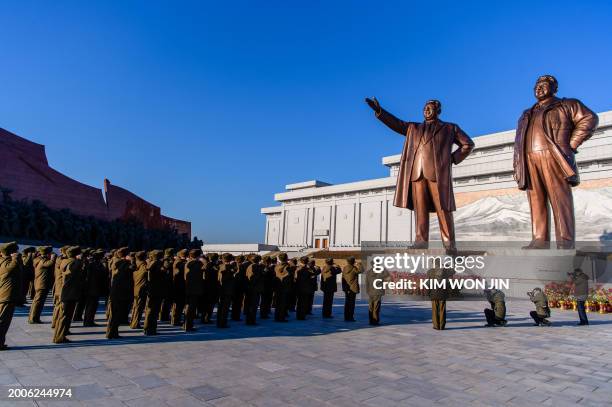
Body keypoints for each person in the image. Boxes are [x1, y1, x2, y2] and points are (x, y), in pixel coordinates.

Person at [366, 97, 474, 249]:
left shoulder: (450, 128)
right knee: (420, 210)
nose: (426, 110)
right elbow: (396, 124)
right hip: (417, 174)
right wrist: (379, 111)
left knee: (443, 210)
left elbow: (468, 144)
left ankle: (450, 245)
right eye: (424, 108)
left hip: (437, 175)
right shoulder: (413, 128)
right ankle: (421, 241)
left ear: (438, 111)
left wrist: (450, 159)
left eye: (430, 108)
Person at [513, 75, 599, 249]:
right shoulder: (526, 113)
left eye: (544, 85)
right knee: (536, 200)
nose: (539, 88)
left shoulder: (567, 105)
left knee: (560, 200)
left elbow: (589, 119)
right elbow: (518, 140)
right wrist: (517, 164)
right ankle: (539, 240)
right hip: (529, 159)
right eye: (536, 86)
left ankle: (564, 242)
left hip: (554, 157)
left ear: (554, 88)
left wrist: (571, 144)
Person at [53, 246, 84, 344]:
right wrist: (79, 260)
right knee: (65, 316)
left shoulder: (65, 261)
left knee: (65, 316)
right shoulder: (74, 263)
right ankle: (59, 337)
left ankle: (62, 333)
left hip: (68, 292)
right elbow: (76, 272)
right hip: (69, 293)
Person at [106, 247, 133, 339]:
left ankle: (112, 333)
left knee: (115, 314)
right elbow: (133, 268)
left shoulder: (115, 261)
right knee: (115, 314)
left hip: (115, 291)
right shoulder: (123, 263)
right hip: (119, 292)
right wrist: (130, 260)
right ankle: (111, 333)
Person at [0, 242, 22, 350]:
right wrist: (15, 257)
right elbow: (15, 265)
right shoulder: (8, 264)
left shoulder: (2, 261)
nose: (17, 252)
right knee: (3, 321)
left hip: (5, 296)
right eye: (15, 251)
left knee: (3, 321)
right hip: (6, 297)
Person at [28, 246, 55, 324]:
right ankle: (33, 318)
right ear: (46, 254)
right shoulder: (43, 261)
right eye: (49, 253)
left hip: (40, 284)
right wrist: (53, 257)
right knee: (38, 302)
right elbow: (51, 263)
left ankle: (33, 318)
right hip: (42, 284)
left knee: (36, 302)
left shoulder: (38, 259)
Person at [83, 249, 107, 327]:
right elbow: (101, 274)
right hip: (92, 288)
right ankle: (88, 321)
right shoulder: (94, 265)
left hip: (93, 288)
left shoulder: (94, 264)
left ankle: (89, 320)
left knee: (92, 306)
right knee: (91, 306)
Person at [143, 250, 164, 335]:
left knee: (151, 310)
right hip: (155, 290)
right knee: (152, 310)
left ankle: (150, 328)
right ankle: (150, 329)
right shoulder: (156, 264)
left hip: (153, 289)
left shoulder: (151, 263)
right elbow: (150, 278)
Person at [183, 249, 204, 332]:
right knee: (191, 309)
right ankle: (188, 326)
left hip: (189, 288)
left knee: (188, 308)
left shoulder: (188, 262)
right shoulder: (197, 263)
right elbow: (204, 268)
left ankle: (186, 325)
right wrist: (203, 260)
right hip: (194, 289)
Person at [51, 246, 69, 329]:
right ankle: (56, 325)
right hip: (61, 285)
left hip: (59, 284)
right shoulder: (63, 260)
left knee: (58, 306)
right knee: (61, 307)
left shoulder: (60, 259)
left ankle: (54, 323)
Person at [130, 251, 149, 329]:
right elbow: (146, 271)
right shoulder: (143, 265)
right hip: (141, 289)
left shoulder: (135, 264)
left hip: (136, 288)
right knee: (138, 307)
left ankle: (133, 322)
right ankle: (135, 324)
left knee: (135, 306)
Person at [217, 253, 235, 328]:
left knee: (221, 307)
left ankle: (219, 322)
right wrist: (231, 272)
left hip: (222, 289)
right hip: (226, 289)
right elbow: (224, 279)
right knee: (225, 307)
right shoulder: (227, 267)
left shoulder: (221, 266)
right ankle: (222, 323)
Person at [244, 254, 263, 325]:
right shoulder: (254, 266)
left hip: (252, 288)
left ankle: (251, 320)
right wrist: (261, 274)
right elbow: (252, 278)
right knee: (253, 305)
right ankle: (251, 320)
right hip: (253, 288)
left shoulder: (252, 266)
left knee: (252, 305)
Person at [341, 256, 361, 322]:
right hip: (353, 288)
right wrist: (359, 264)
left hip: (347, 288)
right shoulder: (354, 268)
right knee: (351, 304)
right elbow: (361, 270)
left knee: (347, 303)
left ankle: (346, 316)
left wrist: (344, 287)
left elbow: (343, 278)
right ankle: (350, 317)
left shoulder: (345, 268)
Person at [171, 249, 188, 326]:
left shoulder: (178, 262)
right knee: (179, 305)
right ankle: (175, 321)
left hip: (178, 285)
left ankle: (175, 320)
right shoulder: (180, 263)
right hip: (179, 286)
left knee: (177, 305)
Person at [202, 253, 220, 324]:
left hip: (206, 286)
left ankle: (204, 318)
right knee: (210, 304)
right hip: (211, 287)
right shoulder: (212, 266)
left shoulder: (206, 265)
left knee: (206, 303)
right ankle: (206, 318)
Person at [158, 248, 175, 322]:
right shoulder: (166, 260)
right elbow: (166, 268)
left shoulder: (166, 259)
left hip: (166, 282)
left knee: (166, 301)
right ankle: (163, 316)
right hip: (166, 283)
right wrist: (171, 262)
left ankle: (163, 315)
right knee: (165, 301)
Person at [274, 253, 291, 322]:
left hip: (278, 286)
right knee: (282, 303)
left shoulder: (276, 266)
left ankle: (277, 316)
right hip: (284, 286)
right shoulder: (287, 267)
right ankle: (281, 317)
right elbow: (288, 275)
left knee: (278, 303)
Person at [294, 256, 312, 320]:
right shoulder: (304, 268)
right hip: (303, 287)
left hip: (300, 287)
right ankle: (301, 316)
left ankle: (300, 315)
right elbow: (312, 275)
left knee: (300, 302)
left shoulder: (299, 268)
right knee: (302, 302)